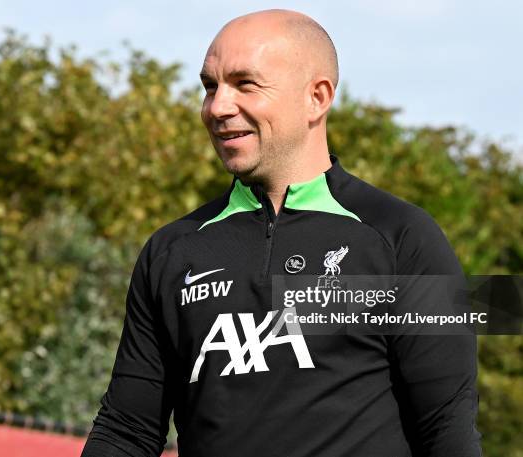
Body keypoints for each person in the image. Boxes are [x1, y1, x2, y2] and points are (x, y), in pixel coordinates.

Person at [81, 9, 482, 457]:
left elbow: (447, 427)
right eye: (210, 86)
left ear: (317, 97)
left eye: (245, 84)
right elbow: (126, 430)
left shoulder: (404, 237)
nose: (217, 107)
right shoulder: (172, 250)